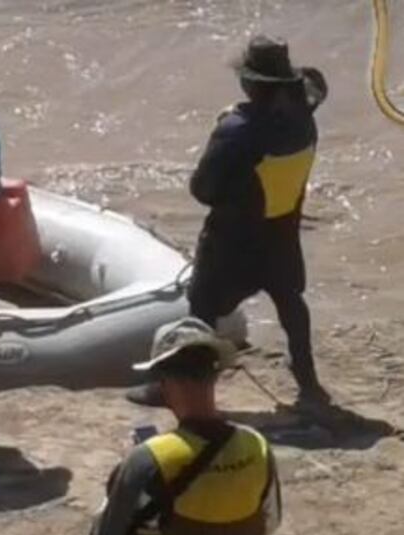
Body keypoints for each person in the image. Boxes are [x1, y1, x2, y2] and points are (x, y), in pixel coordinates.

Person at [130, 35, 330, 410]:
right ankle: (309, 382)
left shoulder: (237, 130)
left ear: (251, 84)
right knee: (291, 304)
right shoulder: (303, 120)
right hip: (282, 235)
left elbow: (202, 190)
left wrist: (227, 122)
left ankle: (175, 388)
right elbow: (315, 90)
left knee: (201, 307)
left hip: (233, 242)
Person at [90, 317, 282, 535]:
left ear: (163, 383)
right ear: (215, 376)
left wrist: (121, 479)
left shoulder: (147, 460)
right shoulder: (257, 448)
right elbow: (270, 523)